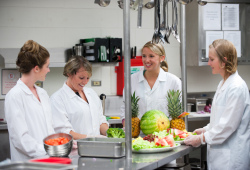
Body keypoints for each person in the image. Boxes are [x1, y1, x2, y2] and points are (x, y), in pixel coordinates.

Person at [184, 39, 250, 170]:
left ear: (224, 61)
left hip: (232, 159)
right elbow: (220, 120)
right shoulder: (222, 83)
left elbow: (228, 126)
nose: (209, 63)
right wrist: (205, 130)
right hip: (219, 158)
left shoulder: (236, 87)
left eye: (211, 59)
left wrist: (201, 139)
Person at [5, 40, 55, 161]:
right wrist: (49, 151)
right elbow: (20, 140)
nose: (48, 70)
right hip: (28, 164)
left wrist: (61, 145)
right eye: (47, 66)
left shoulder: (43, 94)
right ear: (36, 68)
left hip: (49, 162)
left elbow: (50, 129)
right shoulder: (15, 96)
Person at [120, 41, 182, 126]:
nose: (146, 60)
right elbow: (125, 108)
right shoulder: (132, 80)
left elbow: (180, 112)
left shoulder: (174, 82)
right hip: (138, 136)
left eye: (151, 56)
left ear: (162, 58)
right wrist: (126, 124)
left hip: (165, 135)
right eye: (144, 56)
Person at [50, 56, 109, 140]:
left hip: (96, 148)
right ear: (69, 73)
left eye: (88, 78)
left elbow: (100, 121)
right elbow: (65, 133)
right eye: (81, 78)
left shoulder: (91, 93)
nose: (85, 82)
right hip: (75, 151)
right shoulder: (57, 99)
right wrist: (92, 138)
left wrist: (111, 133)